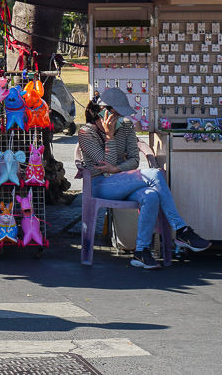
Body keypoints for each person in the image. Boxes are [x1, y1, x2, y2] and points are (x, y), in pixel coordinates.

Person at [78, 87, 211, 269]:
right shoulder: (86, 133)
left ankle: (141, 252)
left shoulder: (125, 127)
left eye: (120, 115)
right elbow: (104, 167)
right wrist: (109, 136)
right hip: (100, 184)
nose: (119, 119)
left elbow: (133, 160)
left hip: (124, 180)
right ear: (103, 112)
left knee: (150, 195)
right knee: (155, 173)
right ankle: (181, 230)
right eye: (115, 115)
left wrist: (117, 168)